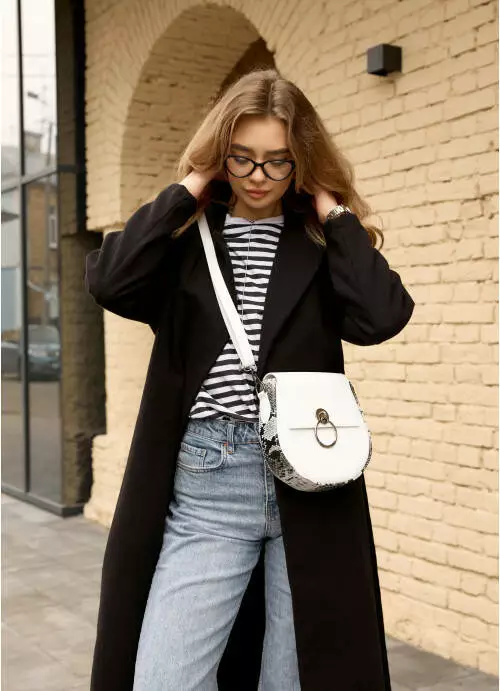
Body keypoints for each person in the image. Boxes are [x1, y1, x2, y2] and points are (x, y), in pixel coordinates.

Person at [85, 68, 414, 691]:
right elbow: (109, 280)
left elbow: (383, 316)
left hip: (310, 478)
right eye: (241, 157)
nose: (258, 176)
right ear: (220, 155)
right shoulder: (186, 240)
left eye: (278, 161)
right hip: (209, 480)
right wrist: (190, 186)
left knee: (296, 678)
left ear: (301, 163)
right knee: (163, 679)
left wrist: (334, 211)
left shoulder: (319, 243)